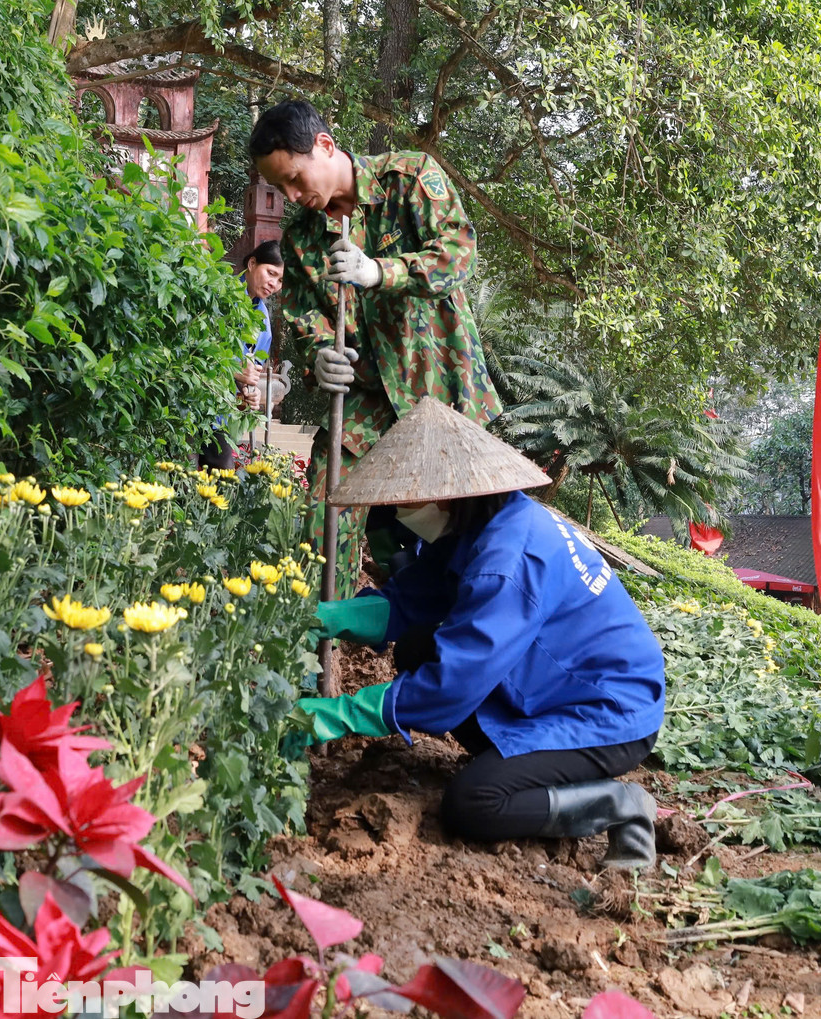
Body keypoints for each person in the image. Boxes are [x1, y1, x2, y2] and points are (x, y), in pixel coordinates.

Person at [286, 399, 666, 869]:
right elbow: (408, 602)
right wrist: (312, 615)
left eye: (404, 500)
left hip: (607, 709)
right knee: (417, 648)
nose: (399, 512)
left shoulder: (507, 562)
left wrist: (335, 715)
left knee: (474, 803)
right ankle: (523, 767)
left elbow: (452, 687)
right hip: (555, 683)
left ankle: (617, 805)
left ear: (443, 494)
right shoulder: (481, 524)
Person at [249, 100, 502, 594]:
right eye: (279, 187)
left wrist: (380, 271)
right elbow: (303, 312)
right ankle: (321, 643)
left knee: (471, 530)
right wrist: (320, 352)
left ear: (325, 145)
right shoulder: (301, 233)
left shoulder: (408, 176)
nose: (292, 195)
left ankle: (464, 640)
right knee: (327, 512)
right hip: (363, 397)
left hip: (440, 387)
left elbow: (458, 254)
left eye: (296, 179)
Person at [199, 240, 285, 469]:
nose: (273, 284)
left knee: (220, 486)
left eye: (280, 280)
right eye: (271, 273)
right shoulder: (217, 292)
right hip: (190, 407)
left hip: (221, 416)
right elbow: (193, 348)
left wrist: (251, 392)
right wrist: (236, 369)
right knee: (179, 482)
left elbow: (250, 374)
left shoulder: (264, 325)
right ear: (252, 263)